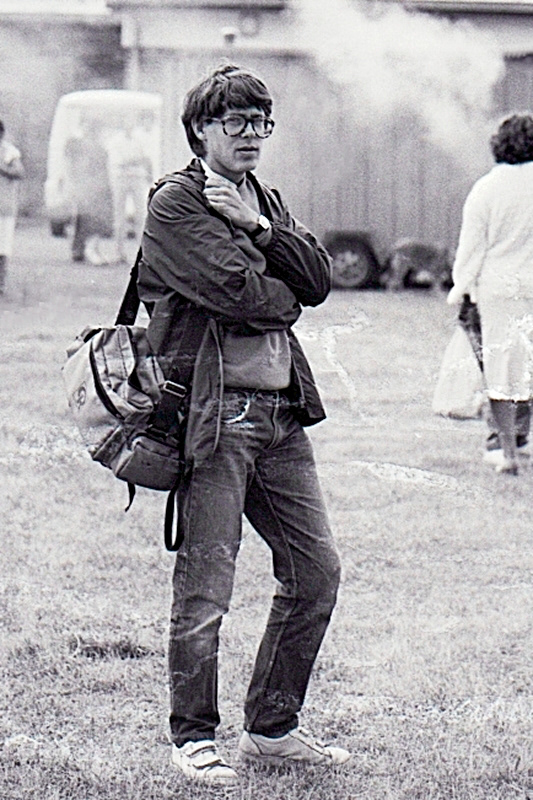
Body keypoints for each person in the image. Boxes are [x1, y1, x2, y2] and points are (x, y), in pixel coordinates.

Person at [136, 63, 351, 785]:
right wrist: (283, 285)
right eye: (236, 121)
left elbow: (318, 279)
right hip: (214, 415)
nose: (252, 134)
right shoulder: (175, 202)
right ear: (200, 129)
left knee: (315, 573)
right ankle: (192, 736)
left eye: (262, 121)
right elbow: (241, 292)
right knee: (206, 586)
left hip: (281, 415)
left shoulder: (266, 198)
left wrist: (257, 225)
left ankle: (272, 728)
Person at [448, 113, 533, 474]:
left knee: (503, 370)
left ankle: (508, 453)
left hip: (500, 290)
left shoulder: (486, 188)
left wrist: (461, 289)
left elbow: (471, 250)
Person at [64, 118, 113, 265]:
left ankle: (90, 249)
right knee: (81, 218)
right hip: (82, 185)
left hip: (96, 187)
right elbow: (71, 166)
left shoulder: (101, 148)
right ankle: (78, 250)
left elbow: (103, 169)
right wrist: (73, 184)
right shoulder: (75, 144)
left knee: (94, 219)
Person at [0, 120, 24, 294]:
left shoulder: (9, 152)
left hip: (3, 208)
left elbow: (19, 172)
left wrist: (2, 168)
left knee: (2, 248)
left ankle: (0, 284)